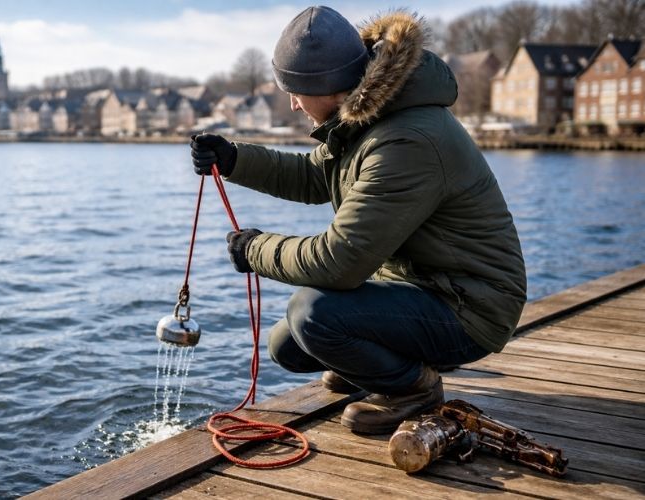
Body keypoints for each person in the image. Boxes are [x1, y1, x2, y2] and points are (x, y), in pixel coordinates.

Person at [191, 6, 526, 435]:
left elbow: (338, 263)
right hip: (423, 288)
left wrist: (255, 249)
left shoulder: (406, 140)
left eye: (296, 90)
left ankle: (413, 389)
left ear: (327, 86)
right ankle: (380, 367)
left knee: (312, 314)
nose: (293, 104)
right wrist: (234, 158)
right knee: (288, 346)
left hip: (471, 307)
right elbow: (316, 176)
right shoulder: (366, 117)